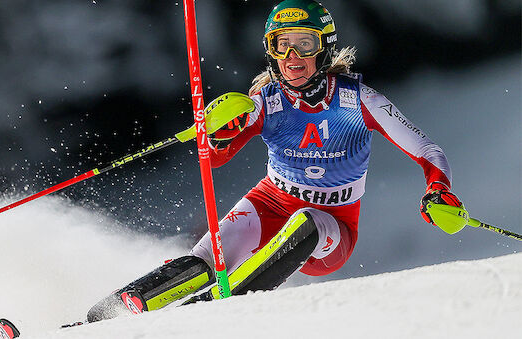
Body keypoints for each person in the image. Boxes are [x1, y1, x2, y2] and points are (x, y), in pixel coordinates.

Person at [86, 0, 463, 321]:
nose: (292, 57)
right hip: (269, 201)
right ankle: (106, 315)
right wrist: (219, 134)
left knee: (307, 221)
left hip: (332, 226)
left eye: (304, 44)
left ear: (325, 48)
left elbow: (428, 150)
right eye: (282, 46)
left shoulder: (360, 101)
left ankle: (207, 312)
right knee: (205, 259)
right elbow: (215, 159)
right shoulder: (264, 101)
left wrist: (438, 189)